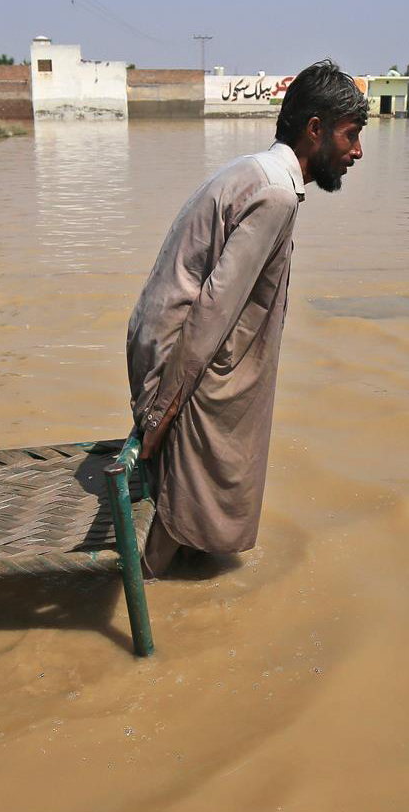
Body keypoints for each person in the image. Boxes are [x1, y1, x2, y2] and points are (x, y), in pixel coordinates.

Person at [125, 60, 369, 577]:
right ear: (316, 130)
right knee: (187, 495)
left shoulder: (254, 170)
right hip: (181, 349)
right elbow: (213, 311)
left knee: (200, 478)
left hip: (160, 332)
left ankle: (186, 574)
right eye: (351, 136)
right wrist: (162, 413)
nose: (357, 152)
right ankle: (148, 583)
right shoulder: (276, 194)